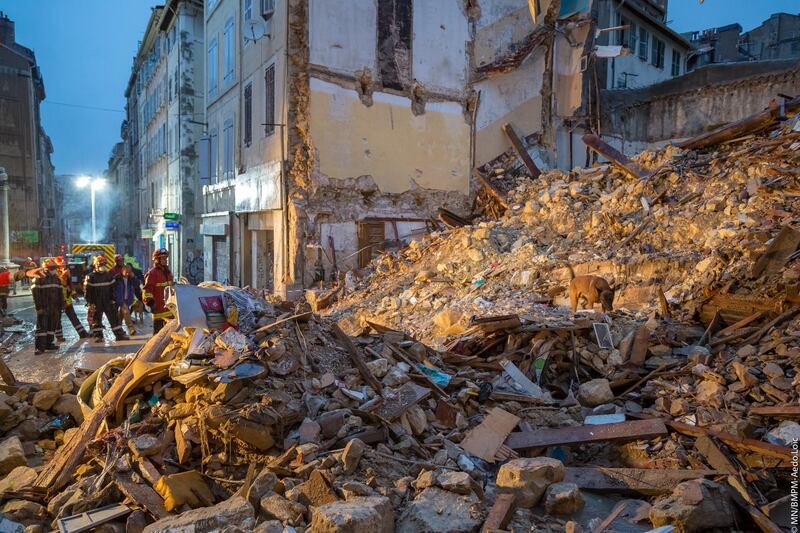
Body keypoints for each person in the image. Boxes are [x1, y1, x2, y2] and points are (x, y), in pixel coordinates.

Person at [84, 255, 128, 342]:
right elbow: (87, 292)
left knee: (114, 319)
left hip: (108, 302)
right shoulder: (90, 277)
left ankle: (119, 335)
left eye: (104, 264)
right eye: (101, 265)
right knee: (96, 320)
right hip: (96, 302)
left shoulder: (108, 276)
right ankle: (98, 336)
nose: (103, 266)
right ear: (96, 265)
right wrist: (90, 303)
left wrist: (113, 300)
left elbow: (113, 289)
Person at [31, 259, 63, 355]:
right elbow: (35, 294)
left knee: (51, 327)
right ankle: (40, 348)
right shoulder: (39, 277)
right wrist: (38, 308)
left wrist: (61, 305)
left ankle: (49, 344)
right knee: (42, 328)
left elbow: (60, 293)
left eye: (54, 268)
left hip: (54, 308)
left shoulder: (56, 278)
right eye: (51, 268)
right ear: (45, 268)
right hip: (44, 307)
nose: (53, 269)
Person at [54, 256, 89, 339]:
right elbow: (59, 283)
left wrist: (74, 295)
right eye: (61, 265)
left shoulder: (66, 272)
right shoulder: (54, 273)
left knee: (73, 316)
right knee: (57, 319)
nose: (63, 266)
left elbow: (70, 284)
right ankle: (59, 336)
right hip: (58, 300)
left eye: (64, 265)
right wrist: (64, 275)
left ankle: (82, 333)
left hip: (67, 299)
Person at [144, 248, 174, 334]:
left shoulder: (168, 273)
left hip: (170, 309)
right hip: (159, 310)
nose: (165, 260)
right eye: (163, 258)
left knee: (170, 335)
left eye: (166, 258)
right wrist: (150, 303)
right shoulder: (152, 273)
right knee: (158, 336)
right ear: (157, 260)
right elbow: (147, 290)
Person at [114, 265, 137, 336]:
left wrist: (134, 278)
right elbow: (113, 290)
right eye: (126, 272)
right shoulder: (117, 279)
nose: (127, 274)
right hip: (119, 299)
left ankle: (119, 329)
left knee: (121, 315)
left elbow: (137, 286)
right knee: (126, 312)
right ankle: (131, 329)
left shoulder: (131, 279)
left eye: (129, 272)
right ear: (122, 271)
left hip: (127, 299)